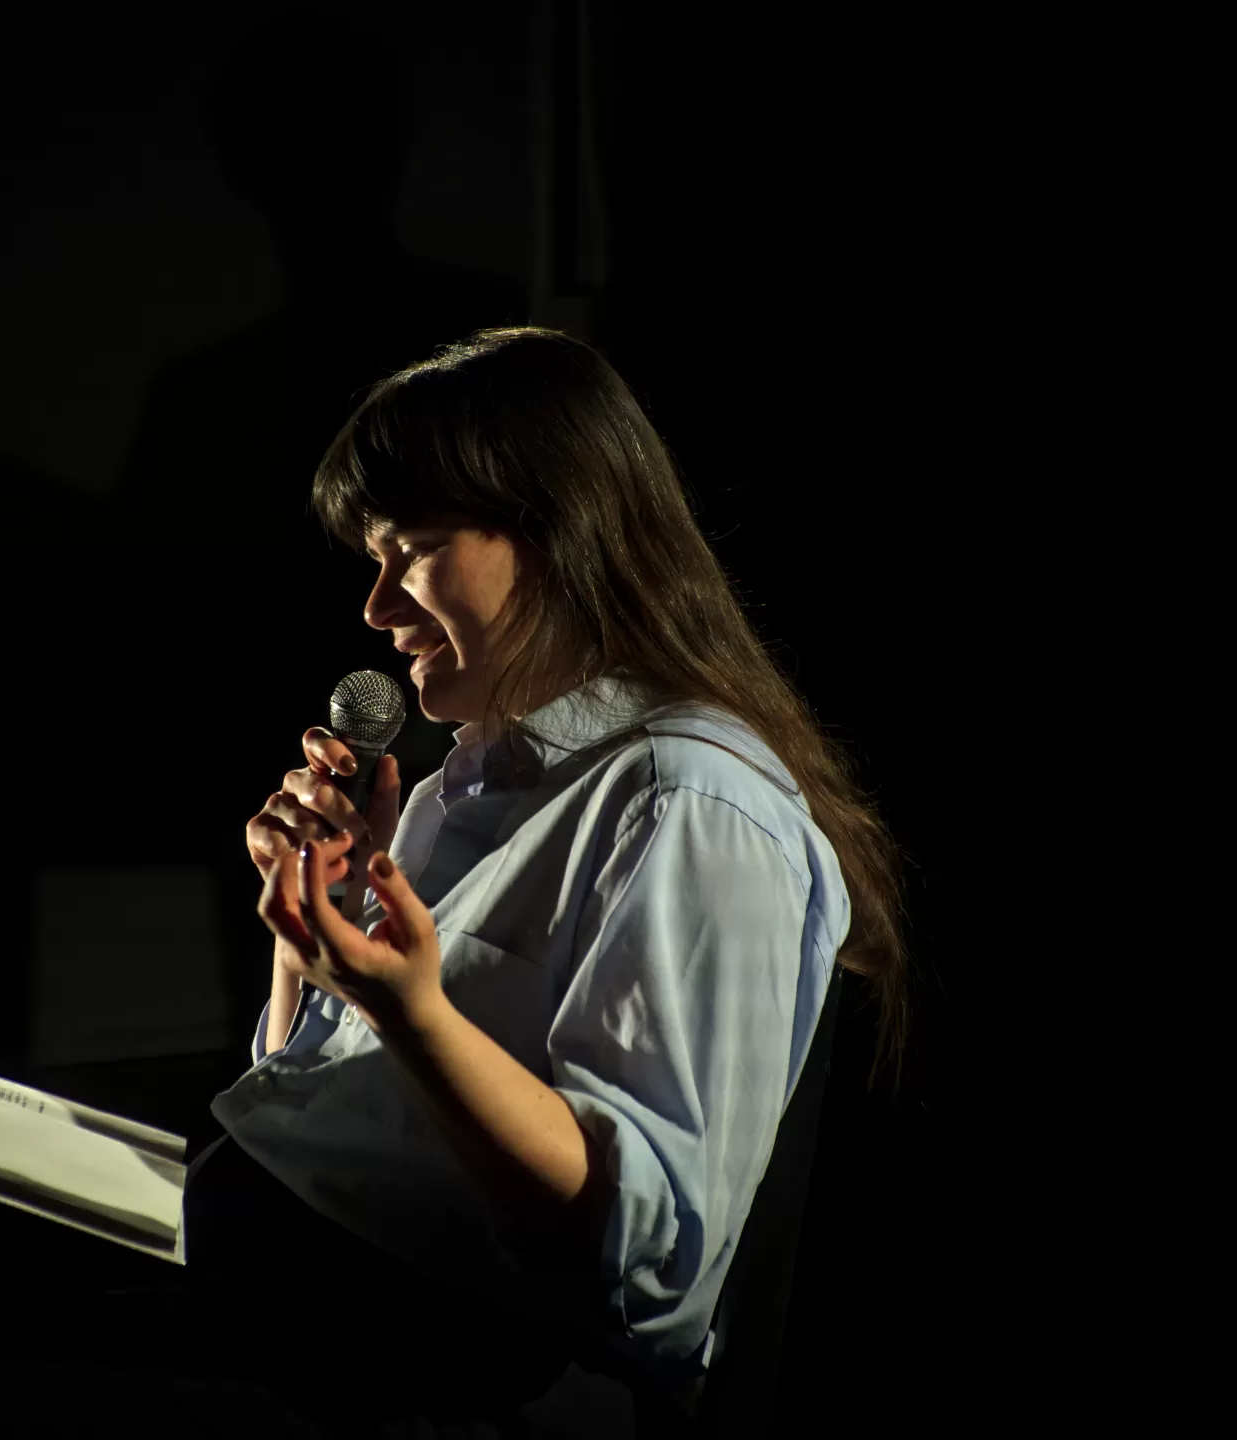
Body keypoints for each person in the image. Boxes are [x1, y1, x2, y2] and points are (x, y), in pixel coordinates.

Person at [216, 324, 911, 1414]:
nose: (378, 607)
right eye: (373, 563)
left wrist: (414, 1017)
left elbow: (646, 1262)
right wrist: (317, 935)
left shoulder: (690, 802)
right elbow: (339, 1121)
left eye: (412, 550)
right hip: (306, 1319)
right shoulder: (472, 782)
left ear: (553, 532)